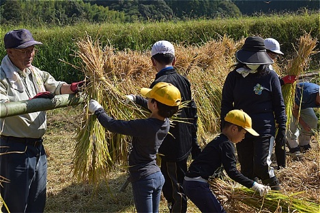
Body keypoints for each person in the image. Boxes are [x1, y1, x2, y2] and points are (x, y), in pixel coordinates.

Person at [0, 29, 84, 213]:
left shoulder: (35, 72)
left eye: (32, 50)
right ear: (10, 52)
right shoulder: (2, 77)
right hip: (12, 149)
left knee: (37, 202)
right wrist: (32, 103)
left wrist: (73, 87)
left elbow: (55, 86)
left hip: (37, 147)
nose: (30, 55)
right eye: (24, 51)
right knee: (15, 205)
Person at [126, 40, 201, 212]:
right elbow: (192, 110)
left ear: (152, 61)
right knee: (177, 179)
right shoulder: (183, 80)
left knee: (174, 186)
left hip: (170, 145)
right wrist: (193, 140)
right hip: (184, 140)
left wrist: (137, 101)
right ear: (174, 61)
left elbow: (155, 111)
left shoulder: (159, 85)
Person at [88, 82, 181, 213]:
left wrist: (98, 111)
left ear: (154, 105)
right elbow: (156, 108)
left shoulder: (144, 126)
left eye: (149, 98)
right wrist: (137, 99)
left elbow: (113, 125)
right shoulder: (165, 122)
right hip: (156, 176)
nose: (147, 99)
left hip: (143, 179)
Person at [221, 36, 287, 190]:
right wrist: (224, 128)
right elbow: (226, 104)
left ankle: (278, 198)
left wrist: (282, 127)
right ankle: (253, 202)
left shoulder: (270, 77)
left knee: (262, 165)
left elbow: (279, 104)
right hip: (241, 128)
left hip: (264, 127)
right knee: (246, 170)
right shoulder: (234, 77)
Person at [183, 109, 271, 213]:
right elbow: (232, 172)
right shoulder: (226, 144)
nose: (244, 137)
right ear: (234, 129)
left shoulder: (220, 141)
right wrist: (254, 185)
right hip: (197, 183)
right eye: (243, 133)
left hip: (192, 183)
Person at [286, 82, 320, 156]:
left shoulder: (317, 97)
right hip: (290, 104)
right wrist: (303, 124)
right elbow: (294, 109)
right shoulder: (308, 93)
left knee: (313, 119)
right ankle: (292, 142)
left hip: (303, 105)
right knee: (292, 122)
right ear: (318, 93)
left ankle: (304, 143)